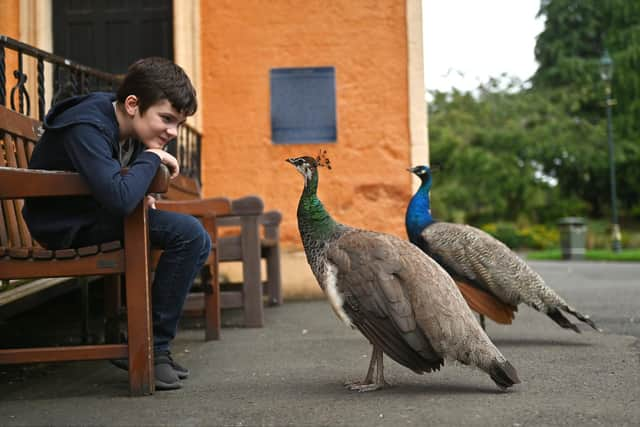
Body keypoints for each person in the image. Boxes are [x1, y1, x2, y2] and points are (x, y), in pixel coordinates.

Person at [22, 57, 210, 391]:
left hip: (93, 215)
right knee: (189, 234)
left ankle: (151, 345)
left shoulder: (128, 127)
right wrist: (151, 159)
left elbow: (120, 190)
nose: (172, 132)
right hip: (64, 226)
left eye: (178, 123)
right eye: (166, 119)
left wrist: (143, 192)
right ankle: (152, 348)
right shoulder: (87, 126)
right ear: (133, 104)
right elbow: (120, 197)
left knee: (194, 235)